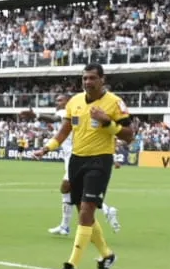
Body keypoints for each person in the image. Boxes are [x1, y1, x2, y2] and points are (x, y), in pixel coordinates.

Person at [34, 64, 135, 269]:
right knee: (84, 211)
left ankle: (71, 266)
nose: (87, 82)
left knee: (86, 210)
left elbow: (129, 135)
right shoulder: (74, 102)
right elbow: (63, 132)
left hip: (100, 161)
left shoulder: (115, 103)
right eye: (84, 78)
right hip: (76, 161)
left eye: (92, 78)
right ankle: (107, 255)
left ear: (102, 80)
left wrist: (108, 123)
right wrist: (46, 148)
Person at [41, 94, 119, 237]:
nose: (57, 102)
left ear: (68, 101)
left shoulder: (65, 111)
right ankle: (65, 226)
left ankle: (106, 210)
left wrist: (37, 115)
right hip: (71, 157)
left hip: (77, 157)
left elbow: (55, 119)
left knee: (70, 189)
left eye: (60, 100)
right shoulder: (73, 111)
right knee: (69, 190)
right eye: (57, 100)